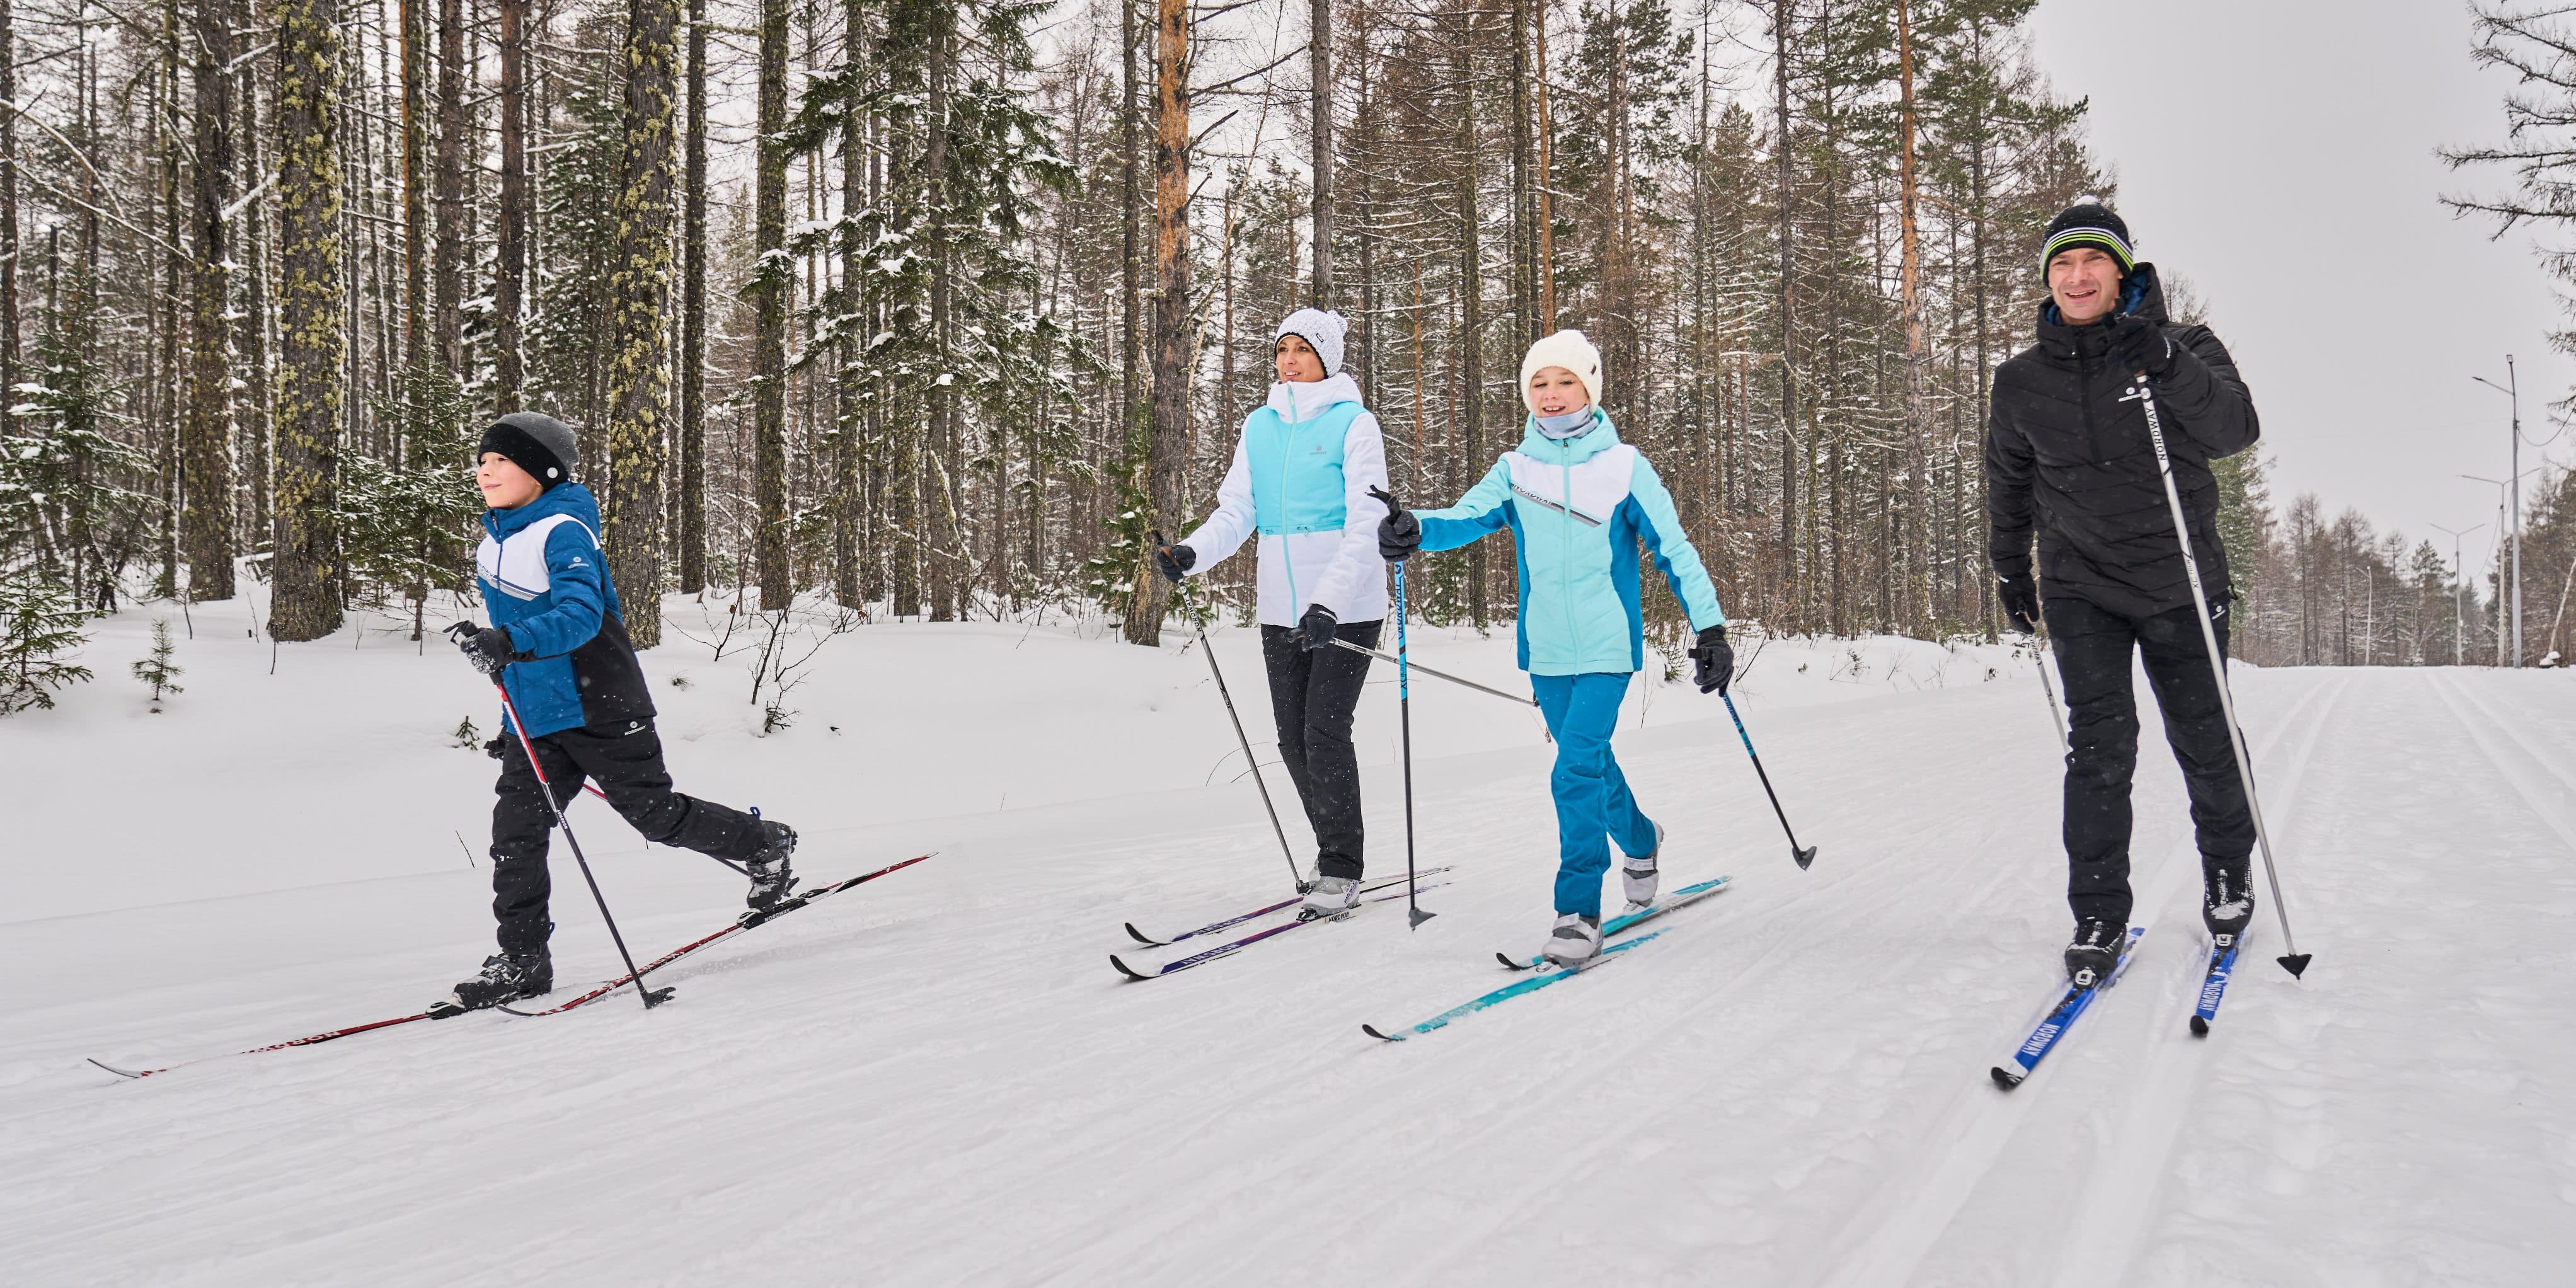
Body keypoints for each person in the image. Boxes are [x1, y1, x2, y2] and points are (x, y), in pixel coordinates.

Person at [1376, 330, 1732, 968]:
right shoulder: (1517, 468)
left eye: (1562, 381)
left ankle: (1577, 910)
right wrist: (1416, 529)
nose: (1549, 394)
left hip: (1604, 648)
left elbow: (1674, 549)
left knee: (1572, 770)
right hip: (1545, 653)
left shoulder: (1623, 466)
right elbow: (1468, 515)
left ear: (1589, 388)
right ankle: (1641, 836)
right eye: (1537, 383)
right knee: (1589, 764)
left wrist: (1708, 629)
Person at [1985, 200, 2262, 984]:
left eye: (2091, 262)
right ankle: (2099, 909)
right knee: (2099, 751)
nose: (2076, 277)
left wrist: (2167, 365)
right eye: (2061, 266)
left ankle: (2226, 870)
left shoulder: (2182, 346)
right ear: (2047, 280)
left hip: (2179, 578)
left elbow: (2234, 431)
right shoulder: (2020, 380)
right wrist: (2009, 567)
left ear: (2122, 271)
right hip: (2080, 586)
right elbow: (2008, 483)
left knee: (2203, 738)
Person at [440, 411, 798, 1011]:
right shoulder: (492, 546)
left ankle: (765, 844)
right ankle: (523, 960)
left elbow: (580, 617)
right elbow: (516, 655)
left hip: (602, 705)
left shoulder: (563, 531)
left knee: (654, 816)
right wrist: (511, 725)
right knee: (516, 837)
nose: (485, 471)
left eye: (501, 460)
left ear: (541, 470)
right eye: (482, 461)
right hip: (539, 722)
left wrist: (510, 641)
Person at [1154, 310, 1391, 919]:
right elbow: (1237, 511)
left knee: (1324, 732)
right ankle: (1331, 848)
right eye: (1281, 348)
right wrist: (1193, 552)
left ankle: (1343, 866)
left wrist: (1330, 602)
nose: (1288, 360)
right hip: (1282, 610)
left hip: (1348, 607)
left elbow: (1367, 521)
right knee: (1291, 741)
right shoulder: (1259, 426)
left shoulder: (1354, 424)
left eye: (1301, 350)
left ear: (1327, 359)